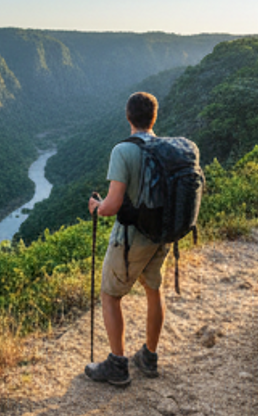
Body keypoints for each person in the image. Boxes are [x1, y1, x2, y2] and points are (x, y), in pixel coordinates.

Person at [85, 91, 169, 387]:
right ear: (153, 117)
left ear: (128, 116)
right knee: (153, 291)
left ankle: (118, 366)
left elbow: (112, 207)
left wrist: (96, 206)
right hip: (161, 236)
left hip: (132, 239)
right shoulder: (164, 148)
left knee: (110, 295)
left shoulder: (123, 151)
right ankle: (149, 357)